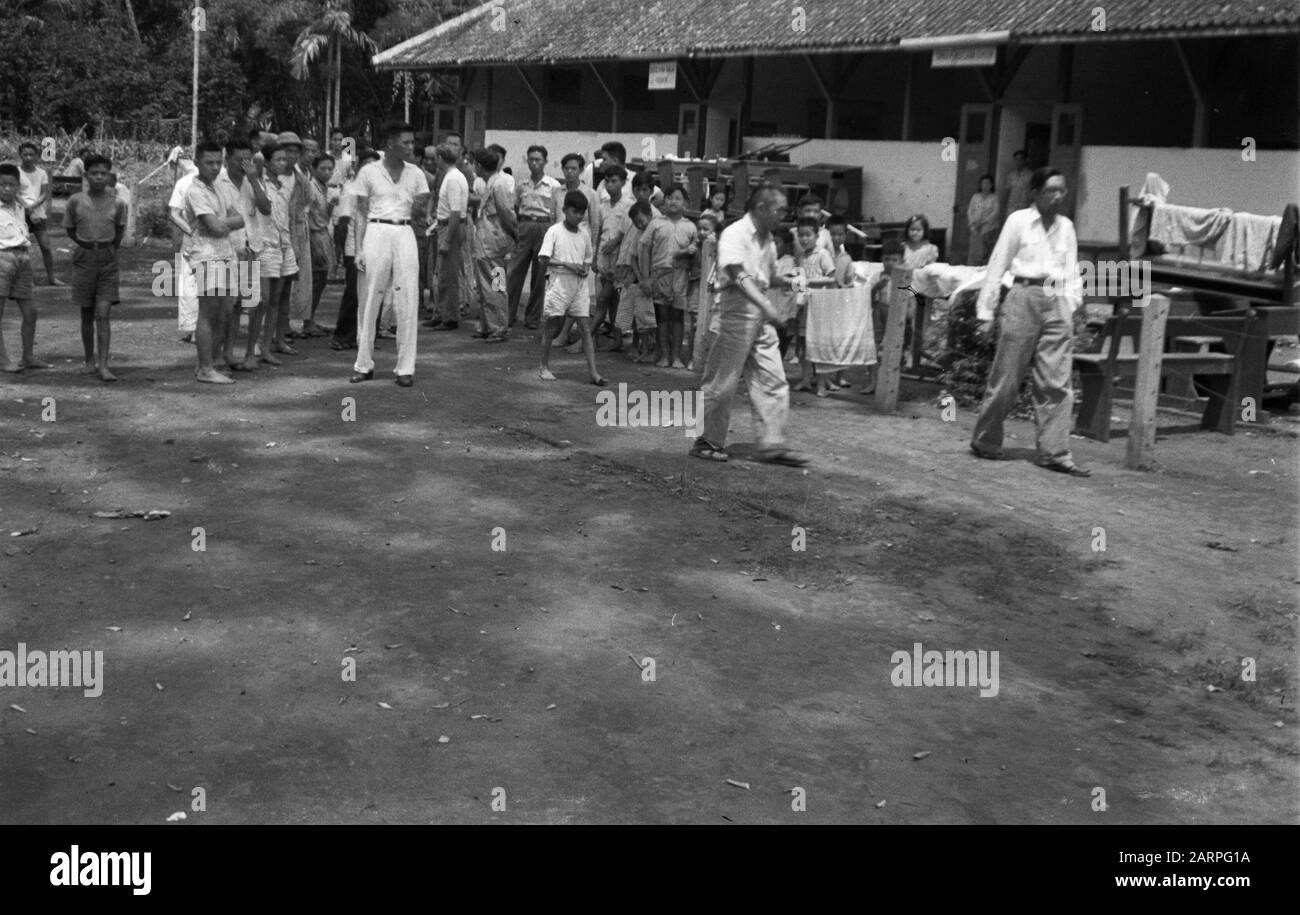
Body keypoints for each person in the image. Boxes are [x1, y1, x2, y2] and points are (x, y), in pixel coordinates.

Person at [970, 167, 1089, 477]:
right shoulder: (1018, 221)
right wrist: (986, 313)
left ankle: (1054, 452)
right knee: (1007, 377)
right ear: (1035, 193)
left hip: (1057, 301)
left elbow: (1073, 271)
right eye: (1051, 190)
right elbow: (997, 266)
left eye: (1062, 190)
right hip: (1023, 296)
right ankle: (985, 440)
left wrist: (1072, 307)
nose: (1058, 196)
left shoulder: (1066, 227)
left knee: (1056, 381)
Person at [691, 183, 806, 467]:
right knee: (723, 382)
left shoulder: (767, 241)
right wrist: (766, 306)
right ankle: (705, 441)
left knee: (773, 379)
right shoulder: (734, 233)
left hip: (759, 317)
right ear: (761, 208)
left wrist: (792, 280)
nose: (783, 215)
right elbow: (737, 274)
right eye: (779, 210)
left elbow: (768, 277)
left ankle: (772, 444)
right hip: (735, 313)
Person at [350, 122, 429, 387]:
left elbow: (421, 208)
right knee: (370, 297)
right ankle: (363, 364)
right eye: (405, 142)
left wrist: (417, 206)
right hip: (376, 231)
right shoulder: (369, 171)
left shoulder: (416, 173)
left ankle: (405, 368)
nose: (410, 147)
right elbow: (360, 212)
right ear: (390, 143)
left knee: (407, 297)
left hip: (404, 231)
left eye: (411, 142)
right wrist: (359, 248)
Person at [183, 140, 245, 385]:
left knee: (224, 313)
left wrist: (223, 222)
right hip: (206, 255)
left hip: (225, 254)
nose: (214, 167)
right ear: (197, 162)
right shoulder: (195, 191)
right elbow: (216, 226)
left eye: (218, 162)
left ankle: (208, 363)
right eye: (209, 162)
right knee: (208, 313)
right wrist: (224, 222)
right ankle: (206, 367)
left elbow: (239, 219)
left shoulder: (218, 188)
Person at [64, 154, 127, 381]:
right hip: (84, 258)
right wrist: (85, 245)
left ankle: (104, 365)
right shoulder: (75, 201)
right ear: (86, 175)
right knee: (87, 312)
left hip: (108, 259)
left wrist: (109, 249)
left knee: (103, 313)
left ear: (109, 175)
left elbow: (119, 231)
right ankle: (89, 360)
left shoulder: (118, 202)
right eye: (94, 173)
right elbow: (70, 229)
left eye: (103, 173)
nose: (99, 177)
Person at [214, 137, 270, 372]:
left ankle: (250, 354)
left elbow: (266, 209)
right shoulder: (217, 183)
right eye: (239, 160)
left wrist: (254, 180)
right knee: (228, 308)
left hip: (251, 248)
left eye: (248, 160)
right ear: (227, 159)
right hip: (225, 250)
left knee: (258, 303)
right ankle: (224, 353)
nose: (243, 165)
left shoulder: (253, 181)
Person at [538, 190, 603, 385]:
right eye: (575, 211)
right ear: (565, 210)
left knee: (584, 327)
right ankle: (544, 366)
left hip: (579, 285)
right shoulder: (555, 231)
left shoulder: (584, 234)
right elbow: (543, 259)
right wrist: (568, 265)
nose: (578, 215)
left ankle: (594, 372)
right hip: (559, 283)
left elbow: (587, 258)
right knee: (552, 326)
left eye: (582, 212)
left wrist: (583, 268)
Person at [247, 141, 299, 368]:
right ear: (267, 162)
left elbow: (286, 215)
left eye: (284, 159)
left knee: (276, 300)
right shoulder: (259, 182)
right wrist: (255, 174)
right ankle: (253, 347)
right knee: (262, 301)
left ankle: (267, 347)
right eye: (277, 159)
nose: (283, 163)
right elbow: (265, 208)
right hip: (265, 245)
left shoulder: (286, 183)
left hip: (283, 244)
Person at [641, 185, 696, 368]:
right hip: (659, 276)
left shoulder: (690, 227)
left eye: (678, 198)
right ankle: (664, 355)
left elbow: (696, 254)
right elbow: (645, 250)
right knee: (662, 317)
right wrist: (645, 278)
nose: (673, 201)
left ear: (686, 203)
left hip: (681, 276)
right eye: (670, 197)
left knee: (678, 317)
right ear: (664, 202)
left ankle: (677, 357)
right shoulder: (656, 224)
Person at [331, 147, 381, 351]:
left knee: (376, 292)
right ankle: (343, 336)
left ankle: (368, 338)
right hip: (355, 249)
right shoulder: (352, 189)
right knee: (354, 293)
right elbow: (343, 222)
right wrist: (342, 253)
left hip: (378, 247)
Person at [506, 144, 560, 329]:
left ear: (545, 162)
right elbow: (515, 206)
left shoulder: (553, 186)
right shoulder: (521, 185)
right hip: (525, 225)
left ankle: (533, 318)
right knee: (514, 273)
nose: (534, 163)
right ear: (527, 161)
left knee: (539, 276)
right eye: (531, 159)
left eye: (538, 160)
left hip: (544, 227)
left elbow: (557, 211)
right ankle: (508, 314)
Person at [0, 164, 44, 372]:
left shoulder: (19, 206)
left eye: (11, 185)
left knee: (31, 311)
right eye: (2, 184)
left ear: (18, 186)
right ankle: (2, 360)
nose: (6, 189)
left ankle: (28, 356)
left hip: (23, 257)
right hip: (2, 257)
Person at [469, 147, 514, 343]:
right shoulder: (492, 183)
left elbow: (506, 214)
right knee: (485, 287)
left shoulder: (499, 184)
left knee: (496, 286)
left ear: (479, 165)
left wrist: (514, 235)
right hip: (485, 243)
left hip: (494, 244)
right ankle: (487, 325)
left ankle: (499, 327)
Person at [554, 153, 601, 322]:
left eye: (573, 168)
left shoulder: (591, 194)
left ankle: (573, 331)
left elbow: (595, 225)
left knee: (578, 292)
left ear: (581, 170)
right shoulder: (557, 192)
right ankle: (558, 329)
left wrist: (593, 254)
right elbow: (555, 219)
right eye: (566, 168)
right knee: (559, 289)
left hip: (581, 249)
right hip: (560, 248)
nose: (569, 172)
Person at [428, 143, 468, 332]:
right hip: (444, 226)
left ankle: (450, 316)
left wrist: (447, 240)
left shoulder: (453, 179)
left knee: (448, 275)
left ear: (441, 158)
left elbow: (455, 212)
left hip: (451, 227)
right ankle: (442, 312)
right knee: (441, 273)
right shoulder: (451, 177)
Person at [592, 163, 632, 340]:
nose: (610, 185)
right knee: (612, 301)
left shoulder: (628, 206)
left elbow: (629, 233)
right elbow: (599, 231)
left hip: (619, 258)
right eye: (607, 181)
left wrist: (615, 243)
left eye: (614, 181)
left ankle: (588, 335)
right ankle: (616, 338)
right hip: (604, 255)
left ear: (623, 182)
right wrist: (594, 257)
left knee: (603, 298)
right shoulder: (603, 206)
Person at [862, 239, 906, 396]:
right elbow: (868, 297)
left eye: (895, 260)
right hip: (878, 313)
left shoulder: (904, 277)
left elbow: (913, 294)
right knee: (873, 348)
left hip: (896, 315)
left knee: (894, 348)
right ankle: (873, 381)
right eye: (887, 259)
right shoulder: (876, 276)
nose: (890, 263)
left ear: (902, 260)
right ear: (882, 260)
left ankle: (891, 384)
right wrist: (877, 287)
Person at [166, 146, 201, 343]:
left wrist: (189, 231)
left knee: (190, 284)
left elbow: (173, 214)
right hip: (204, 236)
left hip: (196, 236)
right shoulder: (220, 177)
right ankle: (199, 329)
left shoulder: (184, 181)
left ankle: (194, 329)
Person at [17, 142, 62, 286]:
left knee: (46, 247)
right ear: (21, 155)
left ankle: (51, 277)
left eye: (31, 154)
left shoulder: (42, 173)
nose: (28, 157)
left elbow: (44, 194)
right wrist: (25, 206)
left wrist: (33, 206)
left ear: (37, 156)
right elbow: (14, 192)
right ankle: (27, 278)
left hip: (38, 213)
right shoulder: (16, 172)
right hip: (19, 214)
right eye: (25, 154)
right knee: (23, 248)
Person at [614, 201, 654, 361]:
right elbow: (633, 258)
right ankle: (642, 348)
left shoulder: (656, 231)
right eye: (635, 223)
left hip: (654, 279)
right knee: (640, 317)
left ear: (650, 216)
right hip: (640, 280)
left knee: (649, 318)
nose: (638, 225)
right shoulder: (638, 234)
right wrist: (640, 278)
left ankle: (649, 348)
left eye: (641, 221)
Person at [303, 153, 336, 337]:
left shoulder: (324, 187)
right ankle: (308, 322)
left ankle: (311, 318)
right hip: (314, 236)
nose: (327, 172)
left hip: (323, 233)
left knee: (321, 279)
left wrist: (331, 205)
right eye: (323, 169)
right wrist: (312, 244)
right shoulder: (311, 187)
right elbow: (306, 215)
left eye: (330, 169)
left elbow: (324, 216)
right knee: (316, 279)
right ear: (314, 169)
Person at [967, 175, 1000, 266]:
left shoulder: (994, 197)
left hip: (988, 228)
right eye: (983, 183)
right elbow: (970, 211)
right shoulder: (975, 197)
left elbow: (996, 212)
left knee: (986, 252)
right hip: (975, 228)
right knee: (975, 252)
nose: (985, 185)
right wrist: (973, 223)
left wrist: (983, 222)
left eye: (987, 183)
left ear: (991, 185)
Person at [796, 195, 834, 260]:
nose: (812, 215)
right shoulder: (791, 233)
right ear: (799, 212)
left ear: (820, 214)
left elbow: (833, 260)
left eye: (816, 211)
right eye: (808, 211)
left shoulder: (827, 234)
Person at [1002, 150, 1033, 218]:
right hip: (1011, 207)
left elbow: (1033, 193)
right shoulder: (1011, 175)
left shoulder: (1031, 175)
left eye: (1020, 159)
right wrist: (1003, 207)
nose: (1018, 162)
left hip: (1024, 208)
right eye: (1016, 159)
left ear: (1025, 160)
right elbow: (1007, 192)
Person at [828, 215, 854, 287]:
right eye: (832, 234)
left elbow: (850, 283)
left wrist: (844, 286)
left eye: (840, 234)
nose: (836, 238)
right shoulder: (820, 254)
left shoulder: (846, 258)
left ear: (846, 235)